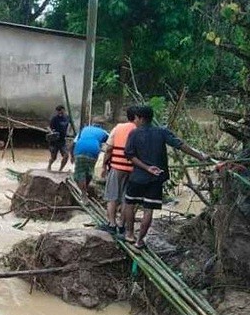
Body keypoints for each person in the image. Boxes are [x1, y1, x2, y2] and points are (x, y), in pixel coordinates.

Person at [122, 106, 209, 249]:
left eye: (136, 118)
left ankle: (129, 234)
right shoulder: (161, 132)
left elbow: (130, 155)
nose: (135, 121)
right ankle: (139, 241)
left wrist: (145, 167)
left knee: (129, 204)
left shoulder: (134, 134)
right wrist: (200, 156)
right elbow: (180, 145)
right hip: (156, 178)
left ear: (141, 118)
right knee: (148, 210)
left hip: (137, 177)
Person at [100, 105, 138, 235]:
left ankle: (111, 224)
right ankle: (122, 225)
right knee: (126, 199)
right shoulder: (140, 130)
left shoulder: (119, 128)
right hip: (133, 169)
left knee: (112, 196)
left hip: (117, 167)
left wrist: (104, 166)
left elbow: (109, 148)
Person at [71, 123, 109, 199]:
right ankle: (85, 191)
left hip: (80, 148)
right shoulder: (103, 132)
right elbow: (112, 141)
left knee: (79, 173)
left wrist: (71, 156)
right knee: (89, 172)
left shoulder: (84, 129)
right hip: (94, 149)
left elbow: (74, 143)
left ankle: (84, 194)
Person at [47, 105, 70, 172]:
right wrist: (51, 132)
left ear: (64, 110)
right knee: (53, 158)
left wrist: (68, 132)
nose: (60, 112)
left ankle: (60, 170)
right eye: (58, 111)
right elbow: (48, 127)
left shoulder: (67, 118)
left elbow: (68, 125)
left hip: (62, 141)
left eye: (61, 110)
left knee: (66, 155)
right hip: (54, 141)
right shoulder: (54, 119)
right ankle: (49, 166)